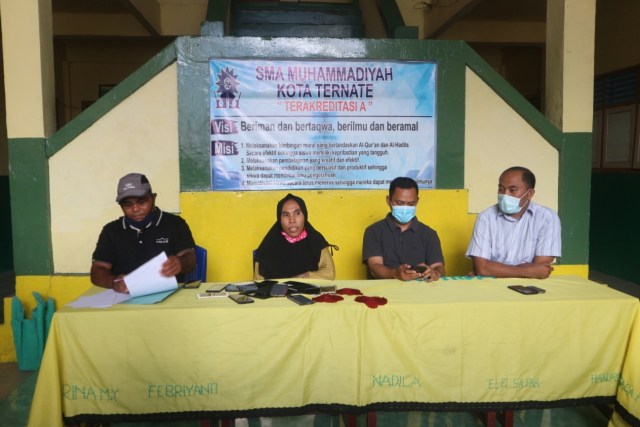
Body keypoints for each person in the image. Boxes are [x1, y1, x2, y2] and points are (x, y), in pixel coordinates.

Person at [90, 173, 197, 293]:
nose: (135, 209)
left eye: (141, 202)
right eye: (128, 205)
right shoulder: (111, 231)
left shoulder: (174, 224)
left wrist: (180, 263)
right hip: (124, 297)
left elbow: (190, 259)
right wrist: (113, 282)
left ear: (153, 197)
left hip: (167, 294)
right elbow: (97, 270)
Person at [465, 166, 561, 279]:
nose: (505, 195)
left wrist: (495, 270)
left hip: (529, 288)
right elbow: (483, 268)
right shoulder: (486, 217)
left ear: (530, 193)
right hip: (491, 287)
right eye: (501, 189)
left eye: (512, 190)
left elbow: (541, 268)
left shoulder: (547, 218)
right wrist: (528, 271)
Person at [362, 177, 445, 281]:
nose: (405, 208)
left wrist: (435, 273)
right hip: (383, 293)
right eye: (400, 203)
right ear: (389, 200)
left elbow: (439, 267)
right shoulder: (374, 231)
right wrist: (395, 274)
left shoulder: (429, 234)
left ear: (417, 201)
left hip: (420, 293)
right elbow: (374, 267)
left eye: (411, 204)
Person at [254, 193, 336, 280]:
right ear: (279, 219)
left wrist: (299, 278)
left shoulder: (315, 240)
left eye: (297, 213)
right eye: (286, 215)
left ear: (305, 215)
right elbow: (259, 283)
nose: (292, 220)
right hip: (276, 293)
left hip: (312, 292)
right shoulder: (268, 246)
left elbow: (329, 273)